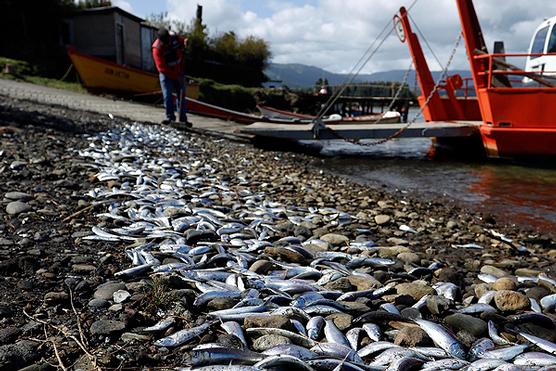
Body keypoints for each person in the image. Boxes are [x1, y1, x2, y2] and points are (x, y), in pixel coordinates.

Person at [152, 28, 191, 127]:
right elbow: (161, 68)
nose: (167, 43)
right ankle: (170, 117)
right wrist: (174, 76)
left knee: (181, 96)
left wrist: (185, 42)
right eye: (165, 42)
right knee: (167, 96)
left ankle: (182, 119)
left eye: (168, 40)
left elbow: (182, 41)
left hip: (179, 71)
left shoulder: (174, 38)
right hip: (166, 75)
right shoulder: (157, 48)